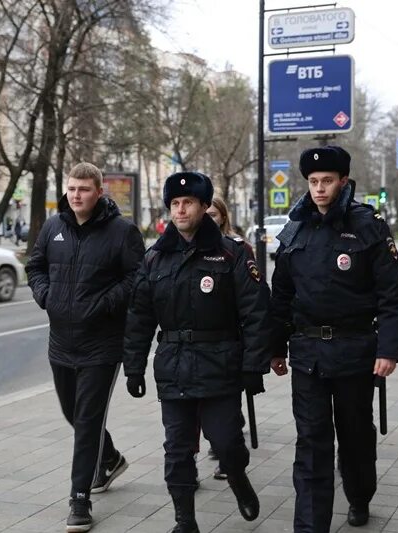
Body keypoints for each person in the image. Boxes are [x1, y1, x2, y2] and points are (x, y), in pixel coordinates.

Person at [269, 146, 398, 532]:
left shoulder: (368, 227)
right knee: (311, 443)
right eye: (313, 182)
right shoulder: (295, 230)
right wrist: (274, 347)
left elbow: (393, 296)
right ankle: (311, 526)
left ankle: (360, 494)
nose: (319, 189)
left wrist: (389, 351)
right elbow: (280, 295)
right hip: (308, 355)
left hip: (355, 352)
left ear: (343, 181)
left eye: (327, 181)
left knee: (355, 437)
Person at [124, 172, 272, 533]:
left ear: (205, 207)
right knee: (177, 450)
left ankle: (237, 475)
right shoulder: (154, 259)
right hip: (173, 365)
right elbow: (140, 316)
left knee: (226, 442)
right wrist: (133, 367)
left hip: (220, 364)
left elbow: (255, 312)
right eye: (174, 204)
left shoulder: (230, 253)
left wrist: (254, 366)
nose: (180, 210)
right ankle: (184, 520)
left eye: (188, 203)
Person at [26, 162, 145, 532]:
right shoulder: (53, 227)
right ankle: (109, 458)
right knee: (74, 415)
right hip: (61, 341)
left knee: (87, 421)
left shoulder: (121, 232)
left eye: (84, 189)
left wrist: (105, 303)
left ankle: (80, 499)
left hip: (102, 345)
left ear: (99, 192)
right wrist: (47, 297)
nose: (76, 195)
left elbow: (136, 279)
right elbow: (35, 266)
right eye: (72, 189)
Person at [201, 196, 243, 480]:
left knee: (224, 404)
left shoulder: (235, 248)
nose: (209, 219)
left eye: (214, 215)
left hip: (228, 339)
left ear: (223, 218)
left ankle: (228, 451)